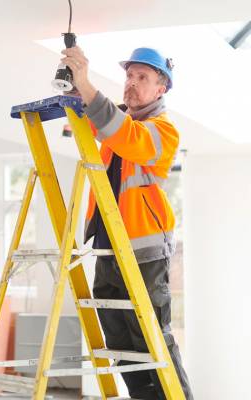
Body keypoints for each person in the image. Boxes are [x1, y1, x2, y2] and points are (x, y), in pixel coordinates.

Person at [60, 46, 193, 399]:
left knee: (149, 335)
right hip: (107, 246)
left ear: (160, 89)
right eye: (129, 76)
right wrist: (75, 88)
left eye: (142, 78)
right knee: (119, 340)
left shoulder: (163, 131)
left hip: (143, 251)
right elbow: (88, 126)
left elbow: (126, 137)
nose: (131, 84)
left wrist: (88, 87)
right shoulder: (117, 121)